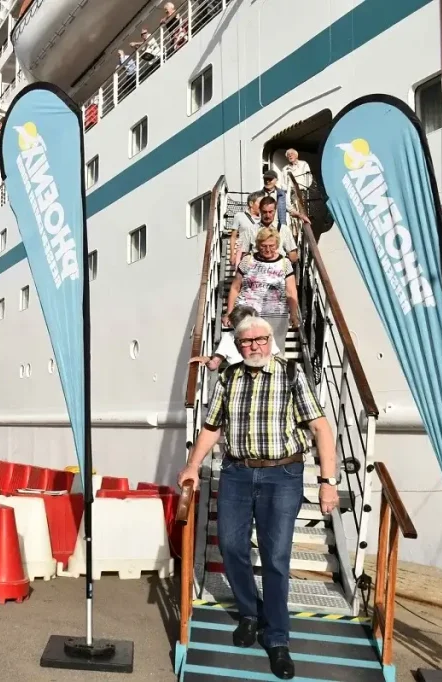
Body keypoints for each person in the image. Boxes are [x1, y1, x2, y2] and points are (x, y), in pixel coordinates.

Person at [177, 316, 338, 680]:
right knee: (232, 546)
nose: (254, 346)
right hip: (236, 472)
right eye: (246, 342)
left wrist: (328, 482)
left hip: (283, 475)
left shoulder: (292, 373)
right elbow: (212, 427)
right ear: (237, 345)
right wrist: (192, 466)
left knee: (276, 556)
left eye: (260, 340)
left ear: (270, 340)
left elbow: (320, 428)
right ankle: (249, 613)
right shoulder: (229, 378)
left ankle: (278, 637)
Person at [225, 228, 300, 358]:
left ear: (277, 245)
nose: (268, 249)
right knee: (247, 351)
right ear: (258, 245)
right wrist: (229, 312)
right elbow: (235, 287)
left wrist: (293, 314)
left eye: (271, 246)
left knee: (275, 353)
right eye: (264, 246)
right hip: (248, 315)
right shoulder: (247, 260)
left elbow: (291, 291)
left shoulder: (285, 263)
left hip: (276, 315)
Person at [189, 305, 280, 371]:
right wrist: (206, 360)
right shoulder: (228, 338)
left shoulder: (265, 333)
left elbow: (278, 356)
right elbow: (214, 364)